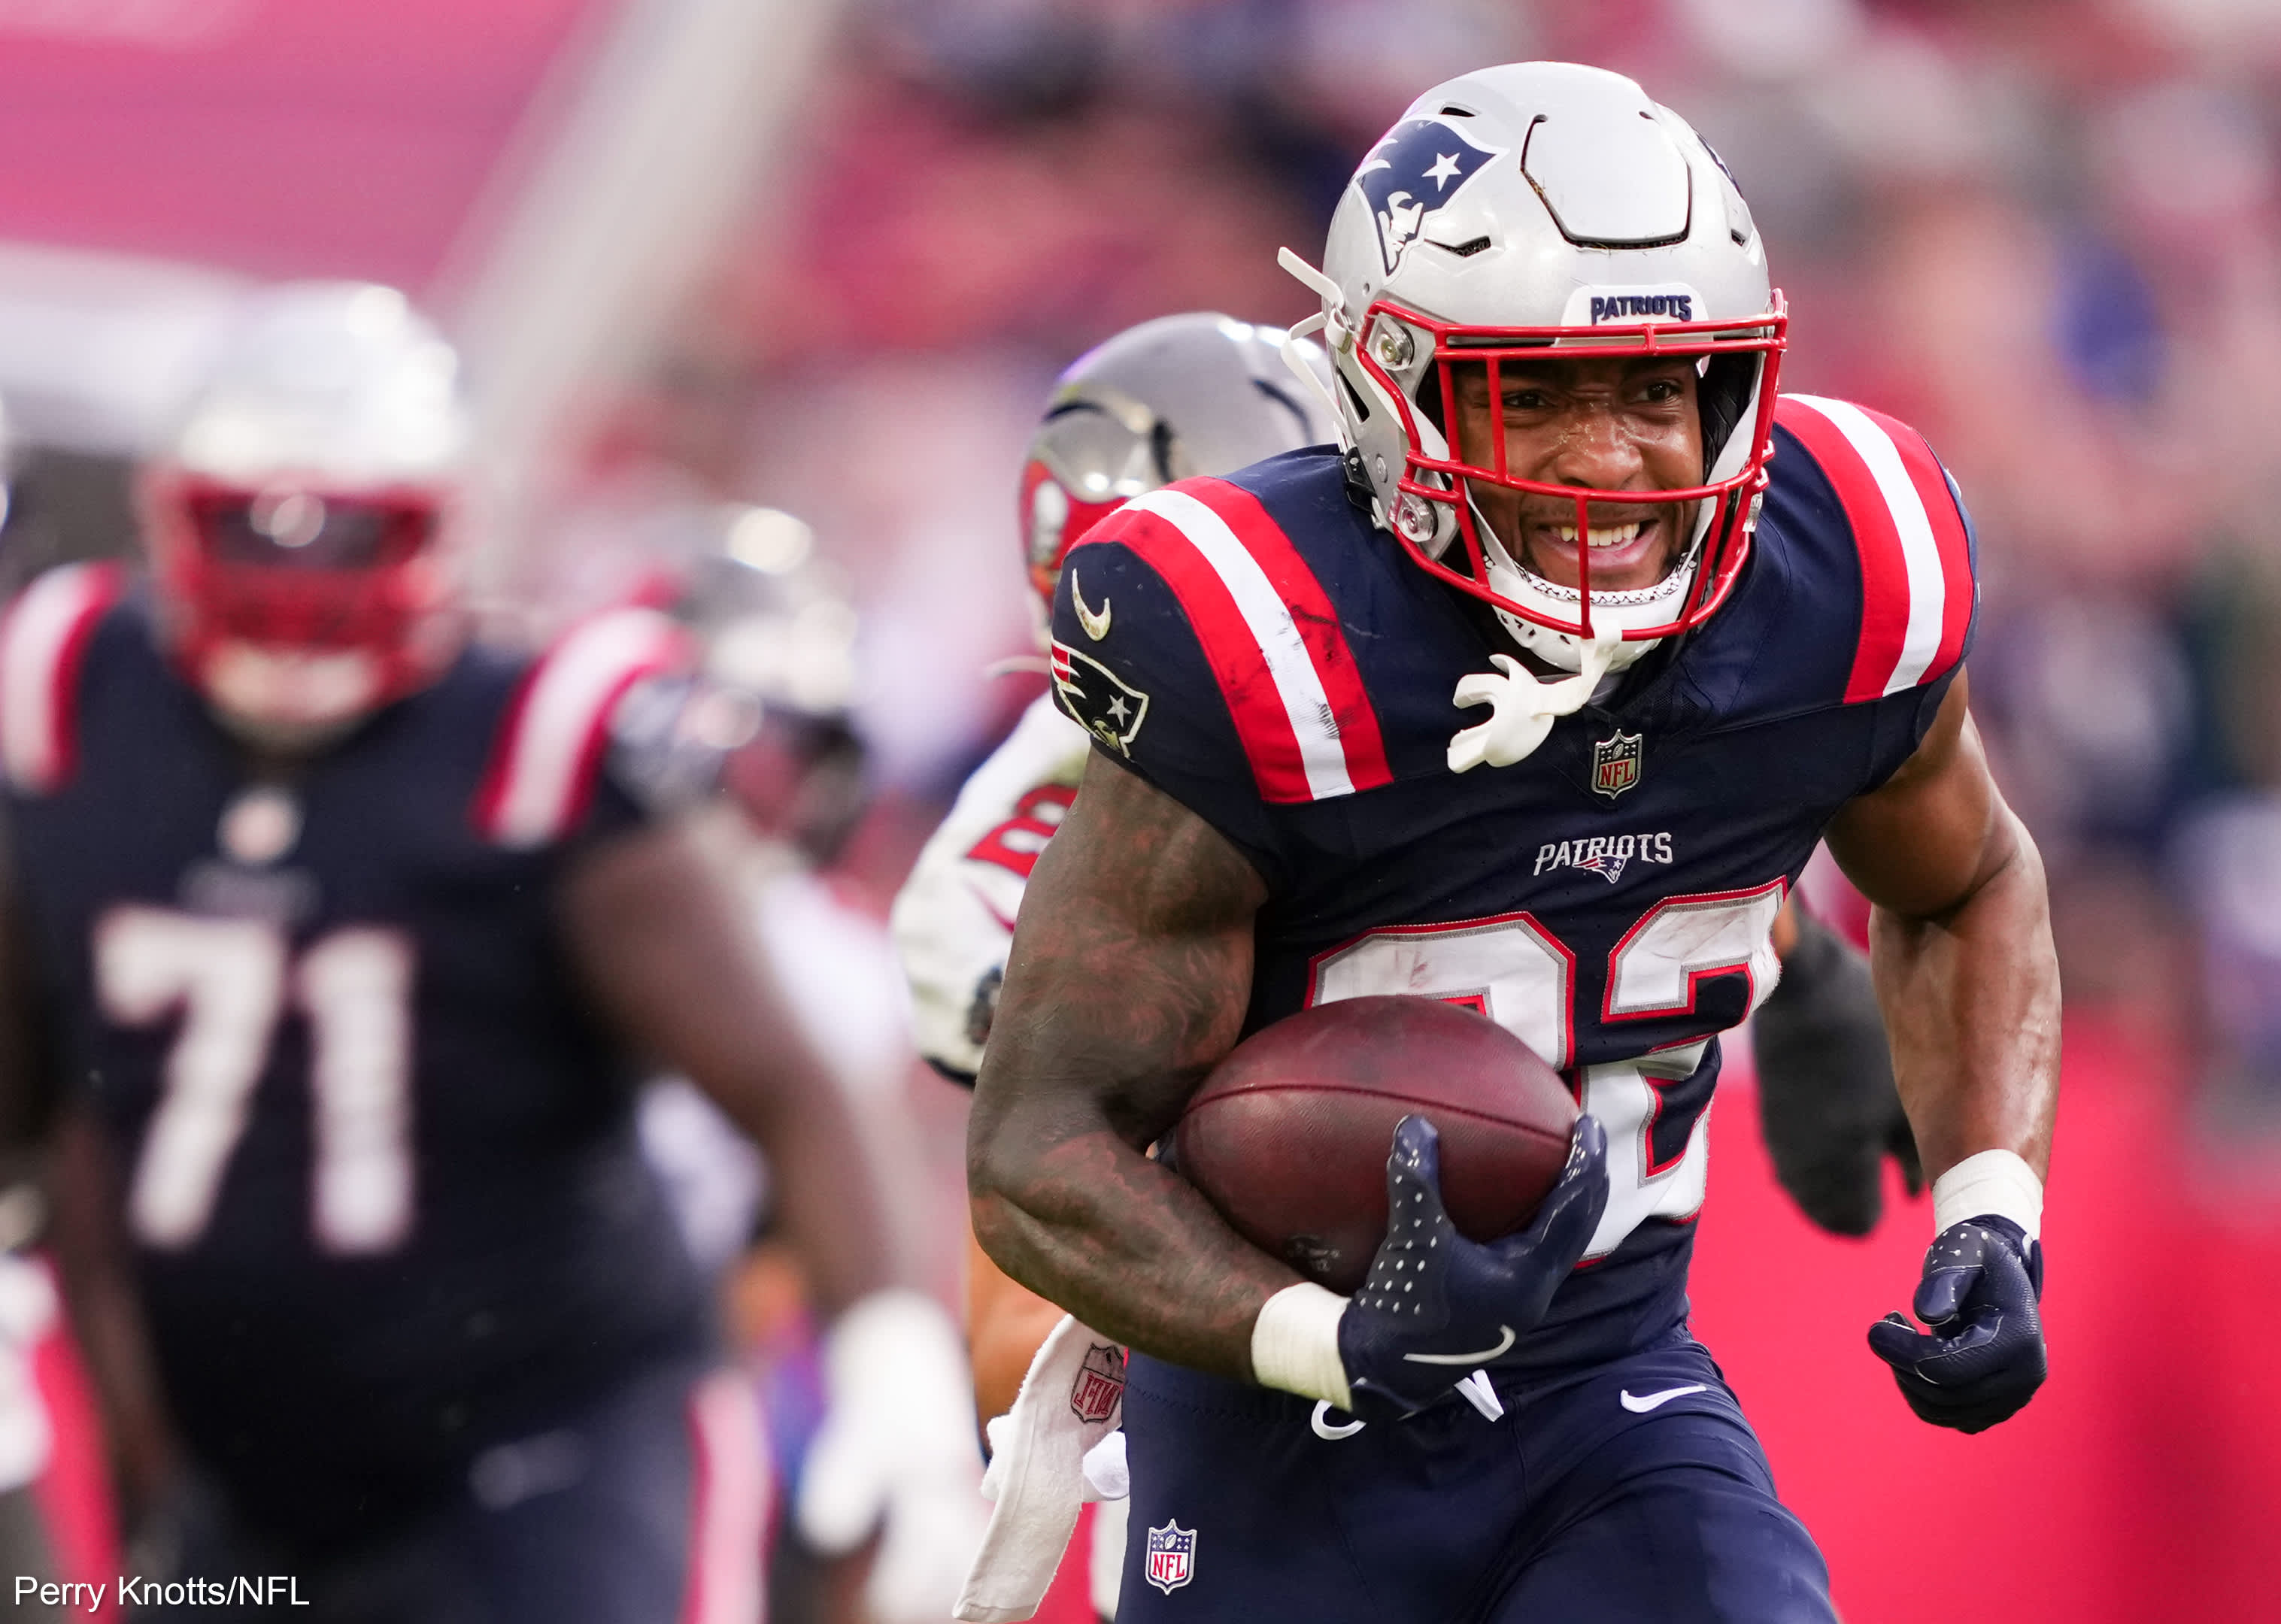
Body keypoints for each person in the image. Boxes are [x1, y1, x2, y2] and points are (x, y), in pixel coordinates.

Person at [964, 61, 2061, 1623]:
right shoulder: (1270, 643)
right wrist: (1328, 1340)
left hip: (1608, 1384)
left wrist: (1991, 1205)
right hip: (1280, 1418)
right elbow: (1040, 1146)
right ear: (1389, 390)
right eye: (1531, 395)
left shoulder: (1848, 570)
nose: (1609, 460)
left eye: (1654, 391)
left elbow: (1969, 881)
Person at [0, 283, 975, 1622]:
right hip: (244, 1465)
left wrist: (894, 1364)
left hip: (547, 1445)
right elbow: (29, 1050)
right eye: (253, 533)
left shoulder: (534, 744)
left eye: (349, 537)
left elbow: (791, 1085)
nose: (295, 588)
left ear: (447, 528)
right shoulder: (71, 694)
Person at [893, 309, 1337, 1621]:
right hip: (1246, 1401)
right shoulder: (1006, 864)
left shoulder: (1442, 711)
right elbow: (1015, 1326)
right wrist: (1270, 1348)